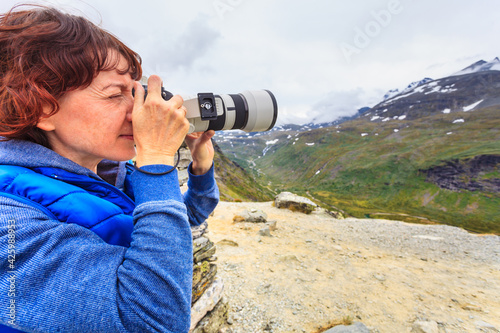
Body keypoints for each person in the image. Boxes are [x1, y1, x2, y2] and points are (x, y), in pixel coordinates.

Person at [0, 4, 219, 333]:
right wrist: (156, 160)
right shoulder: (9, 218)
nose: (139, 111)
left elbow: (170, 228)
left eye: (135, 92)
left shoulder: (106, 175)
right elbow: (151, 322)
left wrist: (201, 171)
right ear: (43, 108)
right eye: (117, 94)